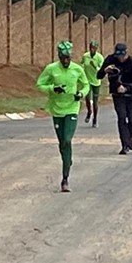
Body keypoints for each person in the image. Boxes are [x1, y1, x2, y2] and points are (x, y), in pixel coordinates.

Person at [37, 41, 89, 192]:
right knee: (62, 143)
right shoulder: (51, 69)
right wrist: (53, 89)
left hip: (72, 109)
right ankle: (67, 160)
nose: (66, 61)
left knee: (67, 139)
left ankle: (65, 178)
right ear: (59, 57)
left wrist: (81, 94)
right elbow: (39, 84)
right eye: (63, 58)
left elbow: (86, 85)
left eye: (68, 58)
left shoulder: (77, 69)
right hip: (57, 110)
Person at [97, 42, 132, 155]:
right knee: (121, 117)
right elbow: (99, 76)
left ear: (126, 54)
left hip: (131, 95)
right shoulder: (110, 59)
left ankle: (130, 136)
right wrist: (105, 70)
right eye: (118, 56)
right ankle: (124, 145)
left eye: (122, 56)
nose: (120, 59)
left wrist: (126, 88)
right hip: (117, 95)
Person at [80, 39, 104, 128]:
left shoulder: (99, 58)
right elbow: (81, 65)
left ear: (97, 48)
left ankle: (95, 119)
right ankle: (89, 112)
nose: (92, 49)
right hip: (87, 80)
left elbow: (102, 70)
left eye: (94, 48)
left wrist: (94, 66)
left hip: (96, 81)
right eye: (91, 47)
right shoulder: (85, 56)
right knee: (87, 98)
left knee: (95, 101)